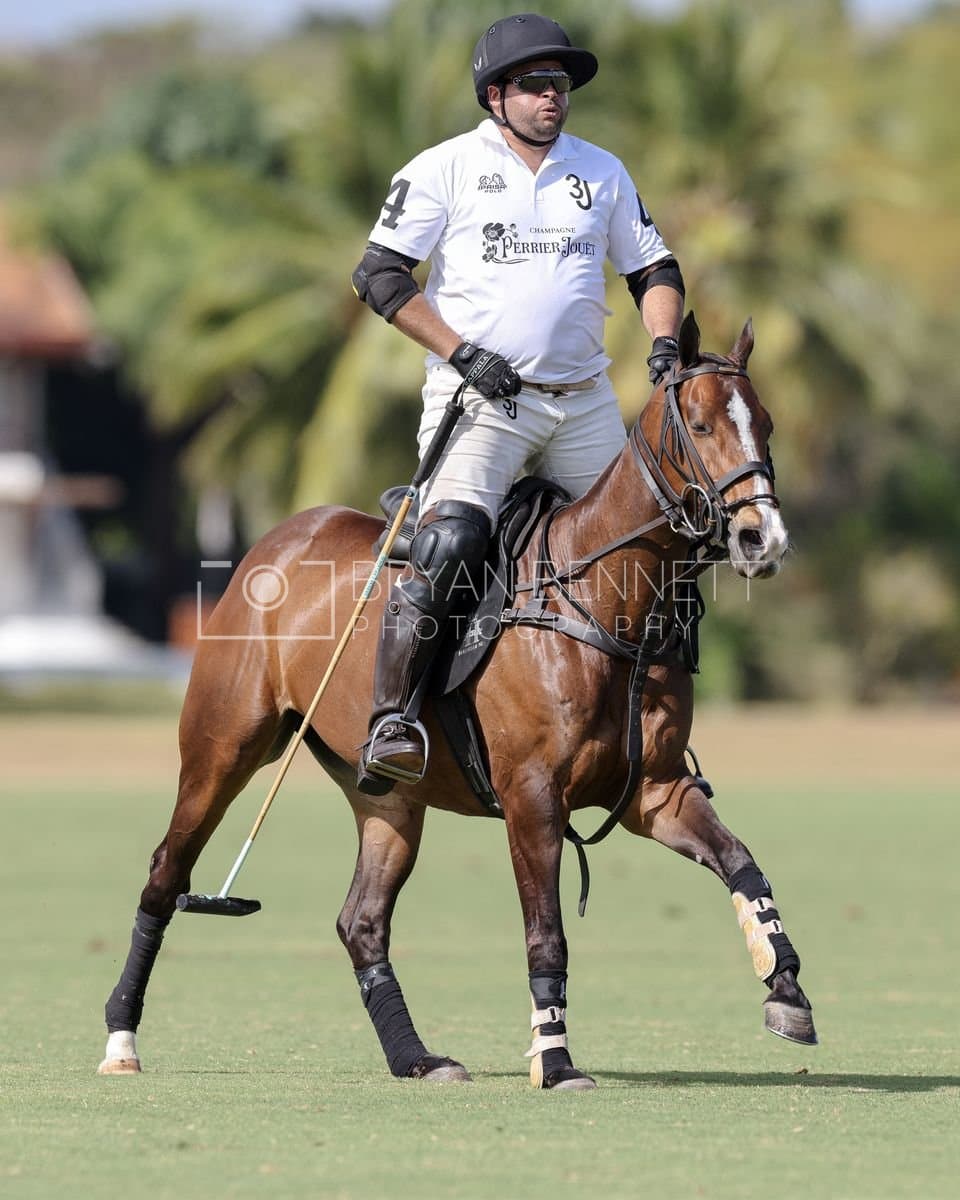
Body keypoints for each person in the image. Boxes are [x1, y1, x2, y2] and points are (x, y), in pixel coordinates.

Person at [351, 12, 684, 794]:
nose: (552, 97)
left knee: (653, 544)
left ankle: (655, 723)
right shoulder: (445, 168)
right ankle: (393, 720)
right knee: (448, 545)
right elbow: (380, 275)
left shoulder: (600, 172)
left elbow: (653, 268)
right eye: (536, 84)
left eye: (561, 84)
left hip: (585, 402)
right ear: (495, 94)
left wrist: (663, 347)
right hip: (482, 404)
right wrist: (462, 352)